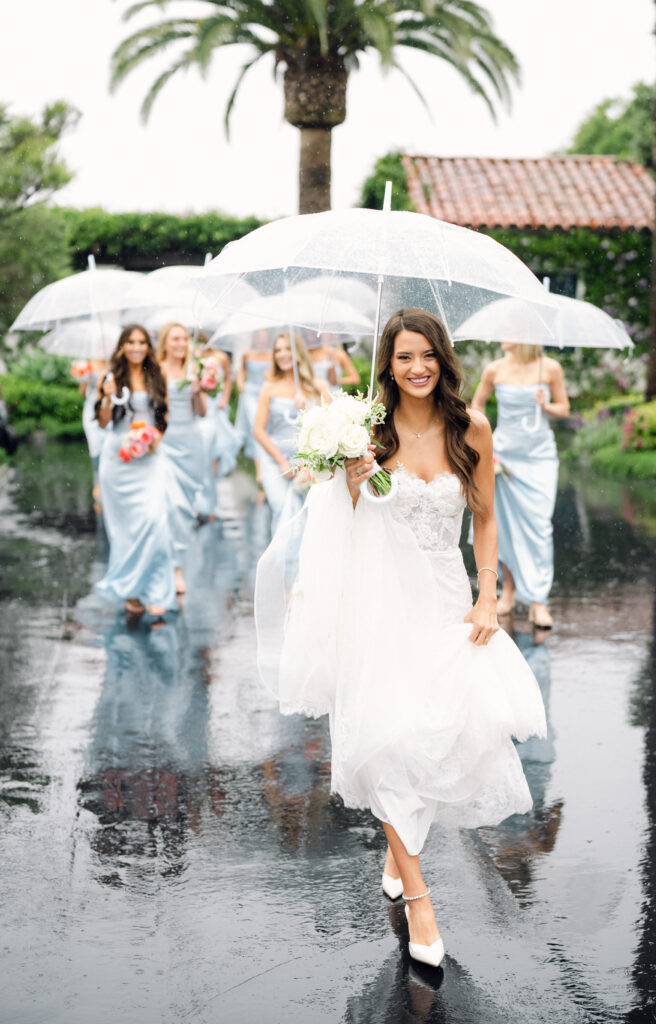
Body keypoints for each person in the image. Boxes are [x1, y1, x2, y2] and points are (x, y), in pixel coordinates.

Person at [255, 309, 546, 967]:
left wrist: (488, 599)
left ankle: (398, 848)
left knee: (437, 736)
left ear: (443, 360)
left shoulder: (471, 427)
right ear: (387, 363)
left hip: (444, 601)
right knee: (382, 736)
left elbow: (485, 520)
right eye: (404, 357)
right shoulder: (366, 434)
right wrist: (353, 485)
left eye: (428, 356)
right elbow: (343, 527)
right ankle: (419, 898)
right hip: (376, 603)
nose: (417, 368)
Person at [471, 342, 569, 629]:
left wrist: (546, 404)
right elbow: (477, 404)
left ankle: (539, 601)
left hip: (539, 457)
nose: (503, 334)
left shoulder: (550, 368)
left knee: (539, 527)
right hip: (503, 454)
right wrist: (483, 442)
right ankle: (509, 591)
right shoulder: (495, 368)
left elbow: (564, 408)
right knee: (503, 524)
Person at [94, 324, 174, 617]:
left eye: (142, 342)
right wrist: (106, 395)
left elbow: (164, 416)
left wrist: (154, 442)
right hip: (118, 461)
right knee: (125, 531)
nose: (137, 347)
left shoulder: (157, 375)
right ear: (122, 346)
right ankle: (132, 593)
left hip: (150, 458)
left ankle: (157, 589)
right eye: (131, 342)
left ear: (148, 346)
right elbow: (103, 422)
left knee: (155, 522)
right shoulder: (112, 377)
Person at [253, 332, 330, 534]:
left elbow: (330, 428)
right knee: (282, 509)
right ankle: (283, 563)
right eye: (278, 350)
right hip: (276, 461)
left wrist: (307, 409)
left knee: (308, 515)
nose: (282, 354)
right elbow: (258, 430)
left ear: (299, 353)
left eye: (288, 349)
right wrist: (281, 461)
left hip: (309, 461)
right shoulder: (268, 387)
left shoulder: (319, 387)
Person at [157, 322, 207, 595]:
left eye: (184, 338)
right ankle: (173, 567)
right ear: (165, 342)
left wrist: (198, 391)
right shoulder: (157, 369)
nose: (180, 343)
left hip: (190, 441)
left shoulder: (194, 369)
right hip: (166, 441)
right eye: (175, 338)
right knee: (171, 505)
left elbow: (201, 412)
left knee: (185, 508)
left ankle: (176, 561)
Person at [193, 334, 237, 521]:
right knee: (201, 457)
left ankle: (211, 502)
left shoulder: (221, 357)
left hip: (216, 406)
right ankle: (200, 501)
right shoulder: (193, 358)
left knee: (215, 457)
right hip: (201, 407)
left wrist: (225, 399)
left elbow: (227, 379)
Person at [235, 330, 272, 494]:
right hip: (250, 395)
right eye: (259, 336)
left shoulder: (272, 354)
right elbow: (241, 371)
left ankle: (267, 465)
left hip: (266, 393)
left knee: (266, 428)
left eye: (265, 336)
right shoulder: (247, 354)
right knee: (255, 429)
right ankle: (259, 473)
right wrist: (241, 383)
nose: (262, 339)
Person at [76, 358, 107, 506]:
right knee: (95, 447)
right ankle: (98, 483)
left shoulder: (113, 363)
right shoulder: (89, 364)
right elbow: (82, 393)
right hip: (91, 411)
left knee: (108, 446)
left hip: (108, 409)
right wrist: (85, 378)